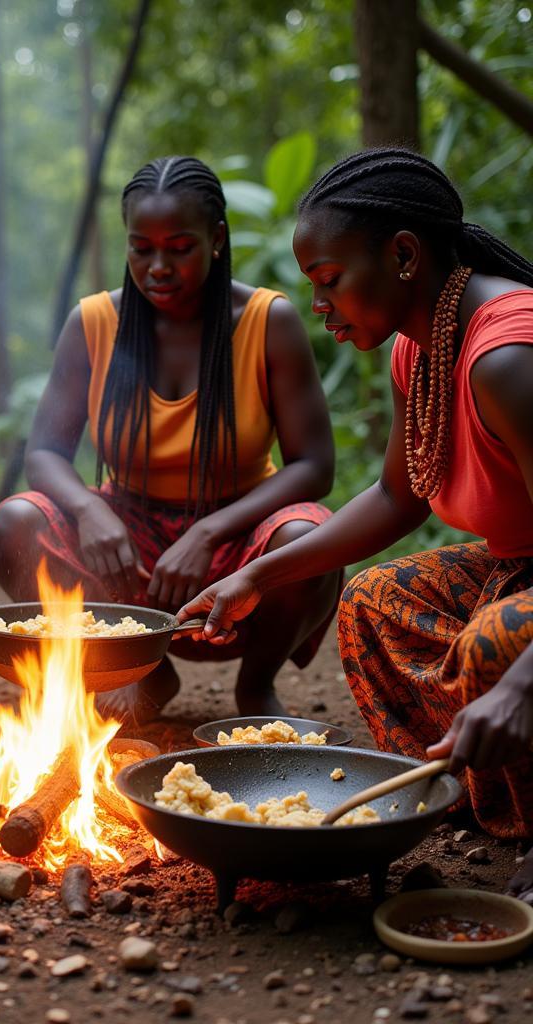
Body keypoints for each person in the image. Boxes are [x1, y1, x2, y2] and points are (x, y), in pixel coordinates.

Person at [178, 148, 533, 902]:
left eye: (328, 279)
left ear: (403, 255)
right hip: (519, 570)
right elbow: (397, 499)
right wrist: (253, 576)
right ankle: (482, 792)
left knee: (499, 644)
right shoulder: (420, 348)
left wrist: (521, 683)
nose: (318, 305)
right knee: (372, 602)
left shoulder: (507, 356)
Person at [0, 156, 341, 724]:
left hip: (236, 532)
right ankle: (135, 667)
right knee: (15, 523)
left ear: (216, 239)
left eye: (179, 248)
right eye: (140, 248)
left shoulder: (266, 321)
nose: (157, 267)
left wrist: (208, 530)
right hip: (125, 541)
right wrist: (86, 509)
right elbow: (46, 453)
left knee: (308, 536)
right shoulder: (93, 322)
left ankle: (255, 688)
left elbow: (314, 466)